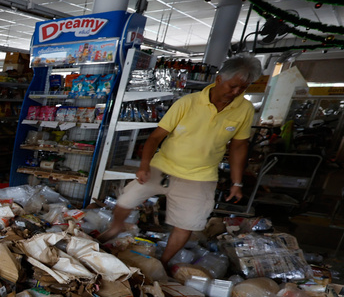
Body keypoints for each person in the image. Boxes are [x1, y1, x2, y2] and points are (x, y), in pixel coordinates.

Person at [96, 54, 263, 266]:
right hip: (163, 166)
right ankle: (115, 227)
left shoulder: (245, 109)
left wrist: (237, 182)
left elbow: (239, 146)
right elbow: (155, 137)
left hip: (201, 176)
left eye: (243, 88)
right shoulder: (188, 103)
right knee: (126, 199)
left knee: (187, 224)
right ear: (219, 79)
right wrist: (144, 166)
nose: (237, 92)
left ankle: (162, 263)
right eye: (233, 86)